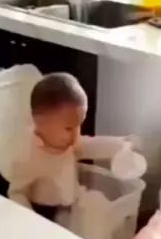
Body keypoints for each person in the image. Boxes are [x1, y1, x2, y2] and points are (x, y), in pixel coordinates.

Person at [7, 72, 138, 221]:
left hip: (70, 204)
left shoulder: (68, 144)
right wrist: (31, 220)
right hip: (42, 212)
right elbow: (16, 192)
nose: (77, 134)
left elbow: (93, 145)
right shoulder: (28, 156)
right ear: (40, 123)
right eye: (69, 128)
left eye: (79, 125)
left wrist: (123, 143)